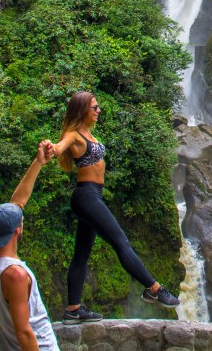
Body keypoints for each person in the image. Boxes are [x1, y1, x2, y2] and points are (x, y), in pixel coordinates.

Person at [48, 91, 180, 323]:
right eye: (95, 108)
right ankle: (154, 288)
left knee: (81, 254)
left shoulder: (88, 133)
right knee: (121, 242)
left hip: (92, 195)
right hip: (86, 196)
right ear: (82, 110)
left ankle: (73, 308)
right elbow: (59, 148)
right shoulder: (74, 134)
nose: (99, 111)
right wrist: (51, 148)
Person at [0, 141, 59, 351]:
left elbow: (18, 202)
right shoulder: (14, 274)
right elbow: (24, 332)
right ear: (17, 231)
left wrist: (39, 162)